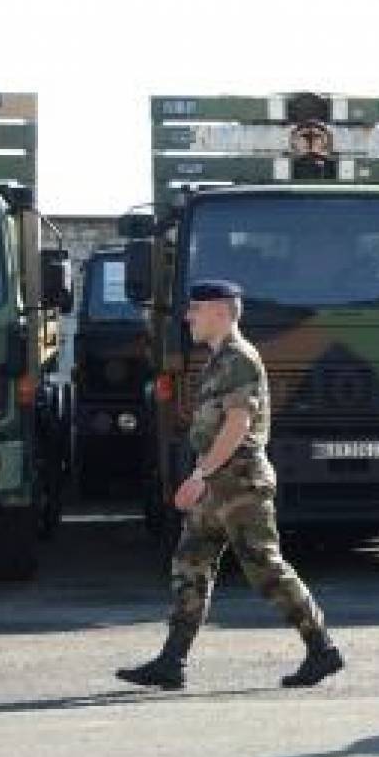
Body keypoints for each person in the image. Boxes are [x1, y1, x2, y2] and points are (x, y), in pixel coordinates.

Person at [116, 279, 344, 690]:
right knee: (190, 566)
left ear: (220, 311)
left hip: (240, 487)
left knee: (267, 571)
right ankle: (172, 661)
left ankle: (322, 649)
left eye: (195, 309)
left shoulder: (239, 358)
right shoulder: (218, 359)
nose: (187, 317)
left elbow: (237, 426)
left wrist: (199, 475)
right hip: (215, 486)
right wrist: (203, 478)